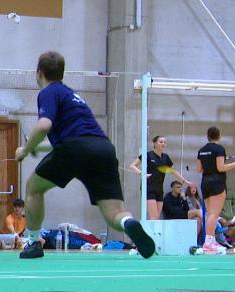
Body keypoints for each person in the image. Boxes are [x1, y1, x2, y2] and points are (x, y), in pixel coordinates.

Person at [15, 51, 156, 259]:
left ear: (39, 73)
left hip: (75, 149)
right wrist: (39, 147)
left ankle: (34, 243)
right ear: (62, 73)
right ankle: (129, 223)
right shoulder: (72, 95)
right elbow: (70, 138)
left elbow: (44, 125)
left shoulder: (48, 92)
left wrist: (25, 149)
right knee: (114, 213)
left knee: (33, 188)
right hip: (103, 148)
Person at [196, 126, 235, 253]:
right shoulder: (219, 149)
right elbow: (221, 168)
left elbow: (198, 170)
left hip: (205, 182)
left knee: (210, 214)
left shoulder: (202, 150)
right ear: (219, 136)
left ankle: (211, 241)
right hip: (216, 182)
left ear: (207, 136)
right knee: (214, 214)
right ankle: (208, 242)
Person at [128, 135, 194, 220]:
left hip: (159, 189)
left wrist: (185, 181)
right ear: (154, 143)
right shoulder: (148, 155)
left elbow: (173, 171)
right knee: (154, 217)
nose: (163, 144)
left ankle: (152, 233)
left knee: (157, 218)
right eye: (161, 142)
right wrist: (142, 173)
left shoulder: (166, 157)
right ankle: (150, 233)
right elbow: (132, 166)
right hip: (148, 188)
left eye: (164, 142)